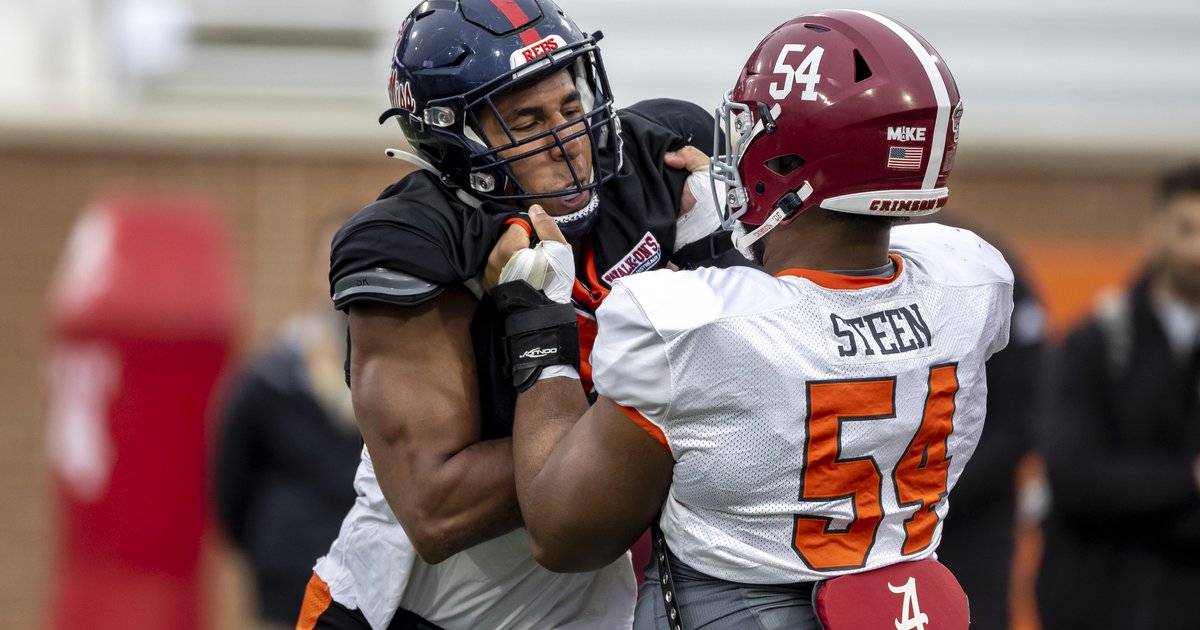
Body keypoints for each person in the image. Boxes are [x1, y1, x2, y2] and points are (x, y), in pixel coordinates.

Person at [487, 10, 1013, 629]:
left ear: (791, 160)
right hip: (900, 606)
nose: (732, 149)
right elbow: (825, 296)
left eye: (750, 130)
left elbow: (562, 533)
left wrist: (538, 321)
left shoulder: (691, 325)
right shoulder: (972, 281)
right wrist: (739, 241)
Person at [295, 0, 730, 628]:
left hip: (585, 607)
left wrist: (736, 244)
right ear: (454, 143)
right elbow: (436, 509)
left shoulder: (657, 159)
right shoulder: (416, 242)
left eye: (571, 108)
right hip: (416, 614)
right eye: (525, 121)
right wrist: (661, 391)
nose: (567, 142)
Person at [1035, 163, 1200, 630]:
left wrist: (1131, 495)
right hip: (1090, 603)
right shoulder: (1094, 344)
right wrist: (1188, 479)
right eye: (1185, 229)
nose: (1196, 249)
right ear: (1155, 230)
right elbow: (1073, 478)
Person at [214, 210, 361, 630]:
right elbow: (231, 484)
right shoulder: (271, 376)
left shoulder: (404, 378)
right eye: (333, 263)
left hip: (371, 594)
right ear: (312, 273)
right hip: (286, 589)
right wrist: (273, 547)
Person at [933, 227, 1046, 630]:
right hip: (870, 522)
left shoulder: (980, 261)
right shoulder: (839, 255)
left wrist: (933, 489)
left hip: (973, 518)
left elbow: (1026, 409)